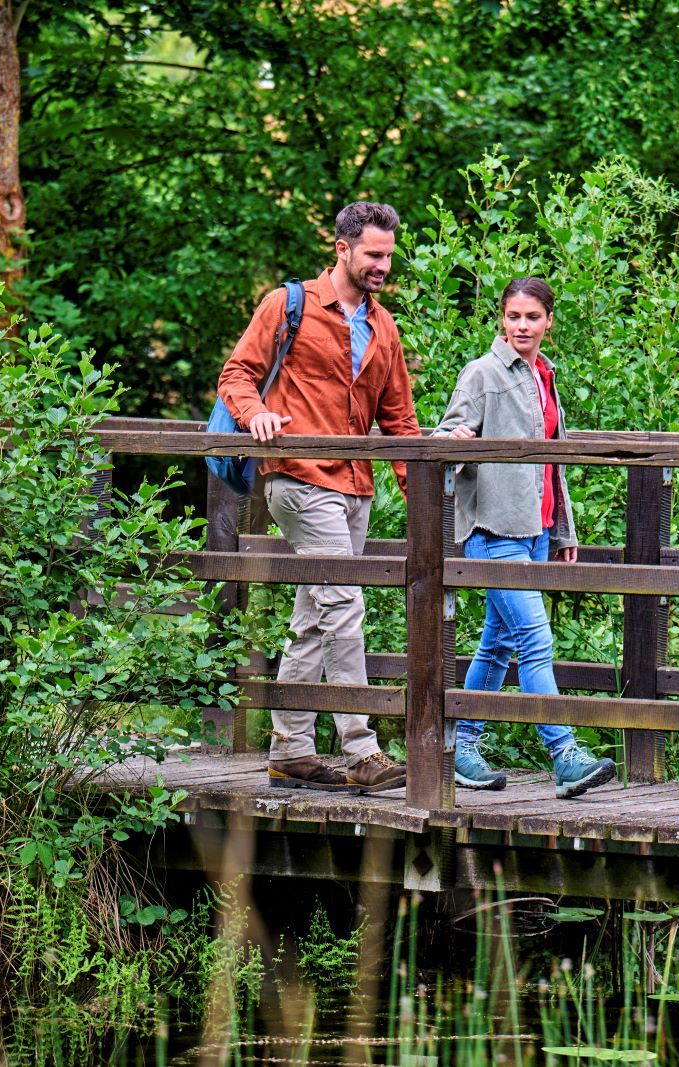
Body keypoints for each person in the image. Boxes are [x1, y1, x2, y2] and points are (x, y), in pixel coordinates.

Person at [217, 201, 418, 793]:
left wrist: (419, 493)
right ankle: (362, 750)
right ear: (343, 249)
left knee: (313, 620)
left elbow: (399, 420)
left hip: (357, 485)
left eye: (388, 254)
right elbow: (237, 375)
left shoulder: (384, 327)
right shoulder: (289, 305)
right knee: (344, 606)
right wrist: (255, 416)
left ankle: (290, 749)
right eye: (373, 254)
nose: (383, 264)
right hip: (300, 480)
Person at [434, 277, 617, 799]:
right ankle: (565, 756)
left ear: (548, 322)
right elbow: (443, 437)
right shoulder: (483, 373)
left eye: (531, 317)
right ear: (501, 318)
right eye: (512, 316)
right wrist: (454, 438)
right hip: (493, 529)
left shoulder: (544, 375)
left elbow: (551, 462)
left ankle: (461, 749)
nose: (521, 326)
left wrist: (563, 530)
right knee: (535, 641)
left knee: (497, 645)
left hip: (535, 532)